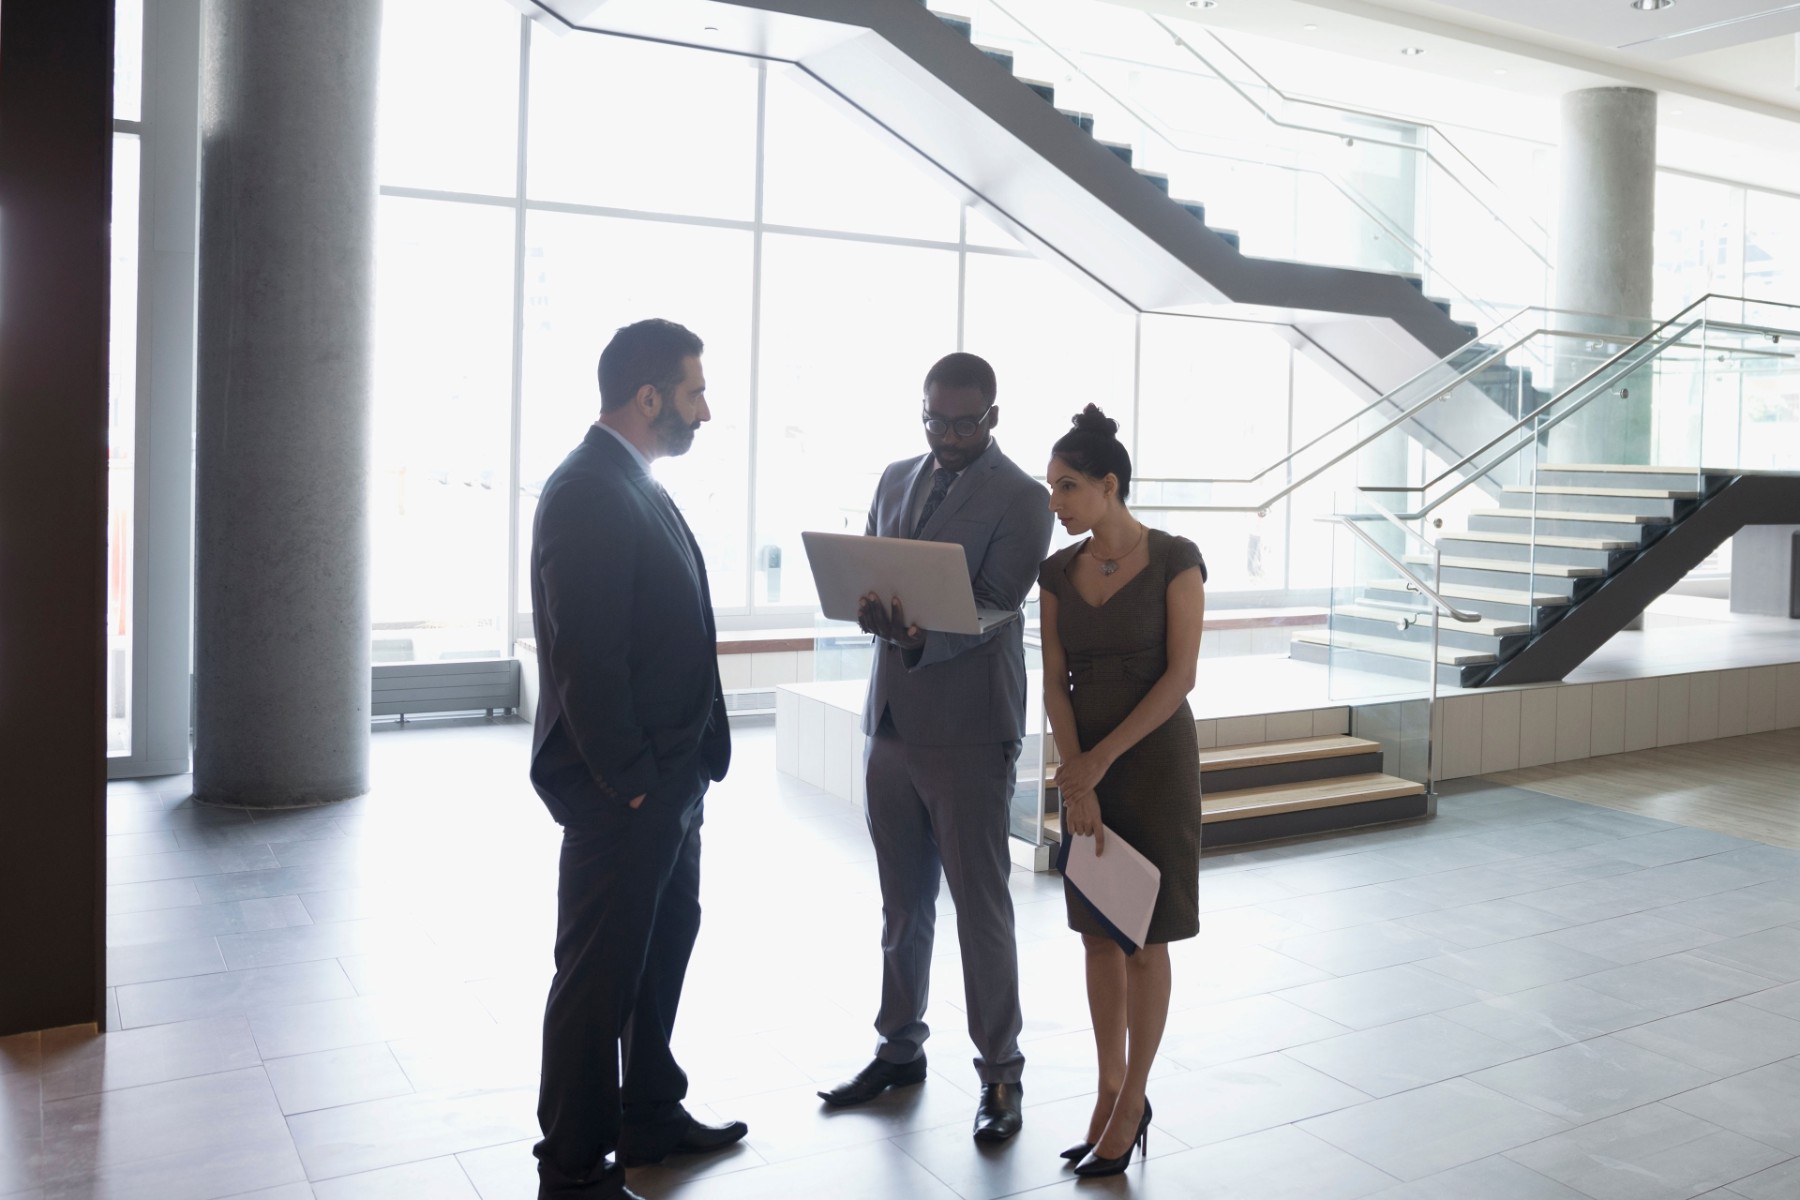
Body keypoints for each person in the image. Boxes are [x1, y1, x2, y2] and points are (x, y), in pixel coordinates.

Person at [527, 319, 745, 1200]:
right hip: (629, 790)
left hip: (672, 781)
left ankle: (649, 1114)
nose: (706, 409)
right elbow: (588, 658)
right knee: (597, 979)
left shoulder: (633, 479)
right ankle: (575, 1169)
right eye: (694, 392)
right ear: (648, 397)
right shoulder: (586, 488)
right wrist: (631, 787)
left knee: (660, 950)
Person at [817, 352, 1054, 1142]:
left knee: (980, 909)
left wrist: (919, 640)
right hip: (891, 722)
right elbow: (878, 572)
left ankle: (1001, 1077)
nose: (947, 435)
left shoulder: (1023, 498)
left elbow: (994, 606)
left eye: (963, 423)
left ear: (993, 416)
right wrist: (874, 613)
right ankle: (898, 1048)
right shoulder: (893, 478)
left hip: (968, 728)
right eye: (934, 419)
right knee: (902, 901)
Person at [1037, 405, 1206, 1178]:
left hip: (1153, 763)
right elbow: (1053, 685)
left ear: (1110, 485)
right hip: (1088, 769)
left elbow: (1179, 678)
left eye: (1068, 486)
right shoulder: (1054, 574)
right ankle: (1107, 1088)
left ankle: (1136, 1096)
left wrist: (1100, 763)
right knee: (1098, 933)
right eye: (1051, 488)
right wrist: (1077, 776)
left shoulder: (1177, 559)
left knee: (1148, 938)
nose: (1057, 503)